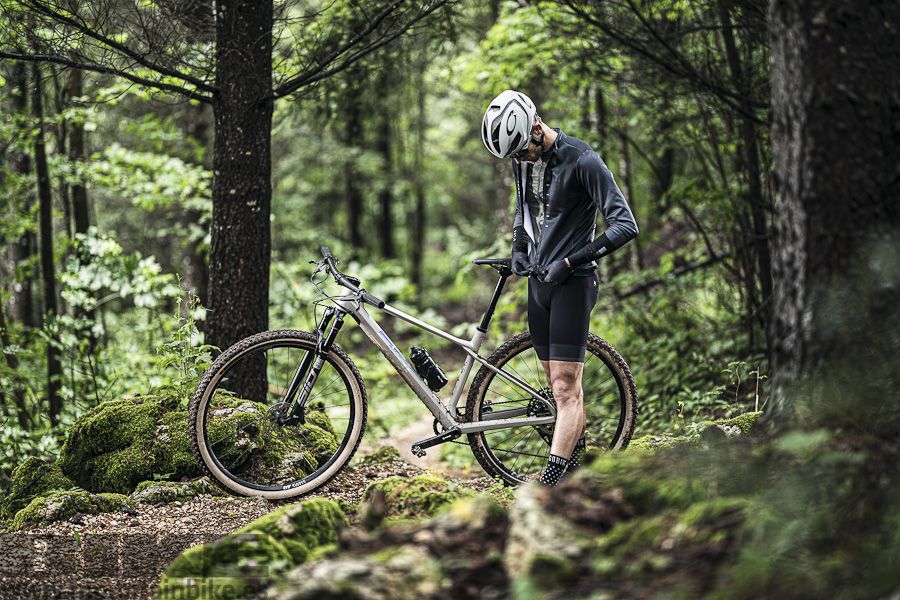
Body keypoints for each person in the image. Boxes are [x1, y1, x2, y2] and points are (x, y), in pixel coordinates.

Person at [481, 90, 639, 487]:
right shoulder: (522, 159)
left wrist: (570, 261)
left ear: (537, 127)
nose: (519, 160)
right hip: (538, 284)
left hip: (573, 283)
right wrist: (519, 246)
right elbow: (524, 207)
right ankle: (576, 466)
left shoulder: (583, 159)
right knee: (556, 389)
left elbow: (624, 225)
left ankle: (549, 483)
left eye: (521, 151)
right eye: (512, 156)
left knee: (566, 389)